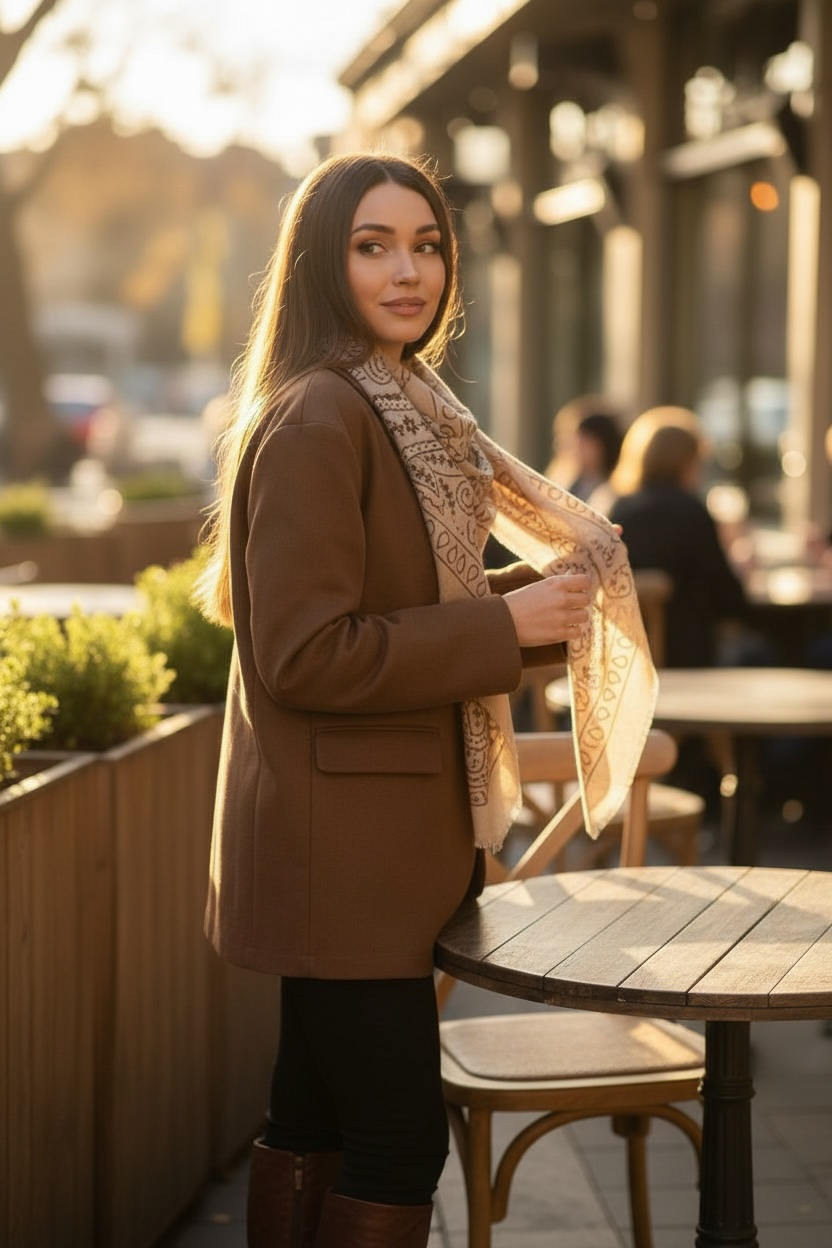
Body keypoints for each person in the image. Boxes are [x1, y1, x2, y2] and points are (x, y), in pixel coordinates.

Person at [195, 152, 655, 1248]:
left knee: (312, 1114)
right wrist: (505, 626)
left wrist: (525, 608)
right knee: (401, 1142)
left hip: (360, 852)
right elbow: (306, 653)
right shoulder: (323, 416)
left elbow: (396, 607)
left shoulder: (403, 404)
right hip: (341, 858)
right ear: (321, 262)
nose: (409, 271)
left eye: (427, 244)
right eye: (373, 246)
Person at [609, 407, 752, 669]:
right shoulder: (690, 510)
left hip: (628, 655)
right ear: (688, 461)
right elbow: (730, 600)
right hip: (687, 658)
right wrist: (741, 567)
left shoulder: (619, 509)